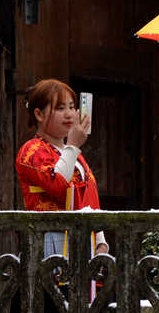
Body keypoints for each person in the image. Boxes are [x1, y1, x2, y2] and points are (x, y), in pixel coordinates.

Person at [15, 78, 109, 258]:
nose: (70, 114)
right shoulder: (31, 150)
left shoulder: (75, 155)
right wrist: (73, 145)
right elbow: (57, 184)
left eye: (72, 107)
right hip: (51, 235)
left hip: (82, 236)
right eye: (60, 108)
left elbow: (89, 195)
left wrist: (100, 240)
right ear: (39, 114)